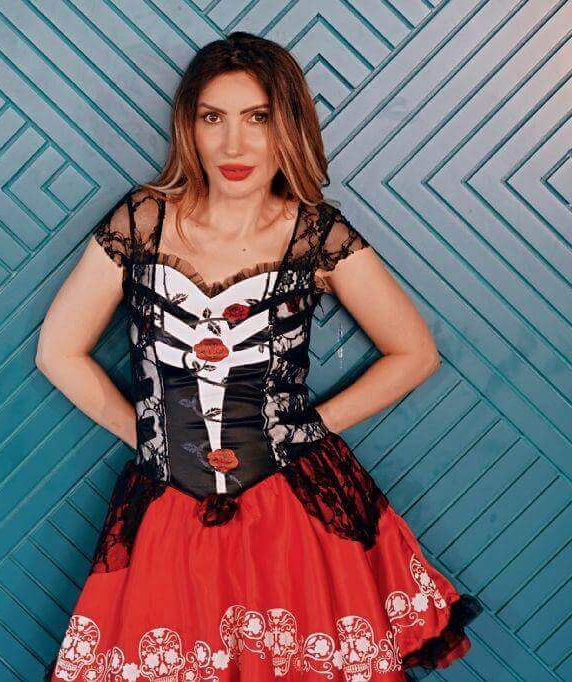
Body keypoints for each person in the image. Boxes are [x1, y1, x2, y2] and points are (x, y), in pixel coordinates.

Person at [35, 32, 482, 681]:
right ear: (189, 126)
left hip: (292, 510)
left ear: (287, 126)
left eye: (257, 118)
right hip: (168, 506)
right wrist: (149, 436)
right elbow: (58, 351)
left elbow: (414, 353)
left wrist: (305, 431)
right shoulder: (142, 220)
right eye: (212, 117)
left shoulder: (315, 233)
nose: (234, 145)